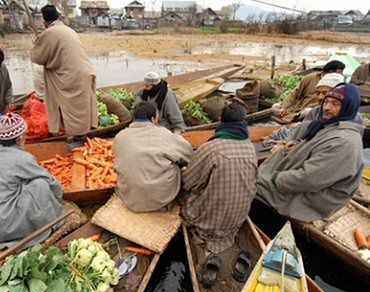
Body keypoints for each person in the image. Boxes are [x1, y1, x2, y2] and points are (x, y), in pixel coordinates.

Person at [257, 84, 364, 222]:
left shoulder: (343, 142)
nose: (326, 107)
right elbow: (317, 149)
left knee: (254, 184)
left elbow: (308, 179)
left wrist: (276, 178)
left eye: (335, 104)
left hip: (311, 199)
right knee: (260, 175)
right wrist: (299, 144)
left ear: (348, 107)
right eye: (326, 101)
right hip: (307, 183)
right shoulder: (330, 125)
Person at [0, 113, 64, 249]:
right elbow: (51, 182)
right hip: (3, 229)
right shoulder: (22, 158)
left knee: (24, 183)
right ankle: (46, 225)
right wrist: (59, 195)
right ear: (19, 138)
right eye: (25, 135)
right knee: (40, 185)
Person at [181, 103, 257, 255]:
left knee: (183, 190)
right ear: (243, 122)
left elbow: (188, 183)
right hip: (238, 219)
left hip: (209, 222)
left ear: (220, 120)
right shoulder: (250, 147)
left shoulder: (210, 149)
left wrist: (184, 170)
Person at [30, 5, 97, 138]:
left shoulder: (49, 32)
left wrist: (35, 45)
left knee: (73, 109)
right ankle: (78, 135)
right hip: (85, 72)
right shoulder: (69, 30)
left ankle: (78, 138)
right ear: (58, 17)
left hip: (72, 76)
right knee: (81, 108)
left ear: (44, 21)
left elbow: (37, 57)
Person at [114, 101, 192, 212]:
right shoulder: (164, 134)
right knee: (177, 166)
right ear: (153, 119)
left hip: (129, 198)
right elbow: (188, 154)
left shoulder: (119, 136)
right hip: (161, 199)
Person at [266, 73, 345, 151]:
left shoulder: (343, 126)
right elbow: (303, 129)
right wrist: (287, 142)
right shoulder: (316, 111)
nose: (320, 97)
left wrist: (297, 145)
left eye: (325, 93)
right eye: (318, 93)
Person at [272, 60, 345, 122]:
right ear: (330, 72)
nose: (342, 74)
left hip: (315, 111)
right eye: (340, 72)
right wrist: (284, 107)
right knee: (275, 107)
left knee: (308, 112)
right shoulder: (310, 78)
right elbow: (295, 93)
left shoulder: (338, 84)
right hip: (299, 107)